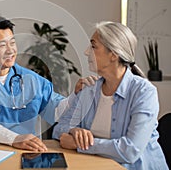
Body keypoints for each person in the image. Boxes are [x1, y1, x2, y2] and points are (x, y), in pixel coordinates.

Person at [0, 16, 95, 151]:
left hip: (25, 151)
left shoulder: (32, 80)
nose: (10, 50)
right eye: (2, 45)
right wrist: (14, 139)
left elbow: (56, 112)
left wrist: (75, 95)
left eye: (12, 42)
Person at [52, 21, 169, 169]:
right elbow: (58, 129)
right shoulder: (89, 90)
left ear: (113, 54)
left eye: (93, 46)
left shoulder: (144, 93)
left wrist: (81, 144)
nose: (87, 52)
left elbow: (130, 151)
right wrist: (73, 130)